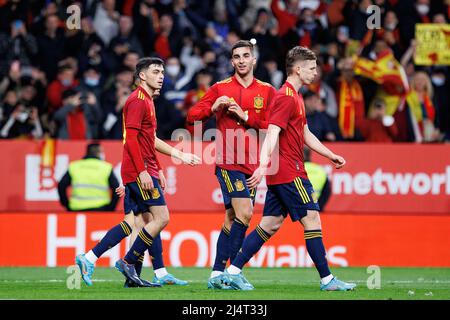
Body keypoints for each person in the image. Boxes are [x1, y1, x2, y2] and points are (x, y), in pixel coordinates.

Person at [222, 46, 356, 291]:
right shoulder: (286, 96)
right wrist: (262, 165)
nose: (316, 73)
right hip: (289, 171)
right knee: (312, 219)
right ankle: (327, 280)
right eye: (312, 68)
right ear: (298, 68)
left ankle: (232, 272)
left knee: (269, 225)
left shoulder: (295, 95)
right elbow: (272, 132)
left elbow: (304, 133)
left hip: (281, 172)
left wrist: (329, 154)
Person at [75, 57, 200, 287]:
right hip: (138, 170)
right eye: (155, 71)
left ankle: (93, 259)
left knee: (140, 221)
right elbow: (131, 140)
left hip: (142, 168)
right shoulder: (138, 101)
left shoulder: (147, 101)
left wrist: (165, 164)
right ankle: (129, 262)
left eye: (162, 71)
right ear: (142, 75)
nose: (161, 75)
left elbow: (148, 140)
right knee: (161, 218)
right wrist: (143, 171)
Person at [186, 40, 276, 289]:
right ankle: (233, 272)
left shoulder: (267, 91)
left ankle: (216, 275)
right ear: (232, 61)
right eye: (237, 57)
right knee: (246, 213)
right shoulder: (219, 88)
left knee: (231, 218)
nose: (241, 60)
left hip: (252, 164)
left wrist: (245, 116)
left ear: (254, 59)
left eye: (246, 55)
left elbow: (273, 125)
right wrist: (211, 108)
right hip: (228, 162)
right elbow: (191, 116)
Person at [57, 142, 120, 212]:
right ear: (99, 153)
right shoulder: (106, 167)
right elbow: (117, 189)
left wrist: (66, 204)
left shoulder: (74, 166)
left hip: (77, 208)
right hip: (100, 209)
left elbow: (61, 185)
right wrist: (111, 208)